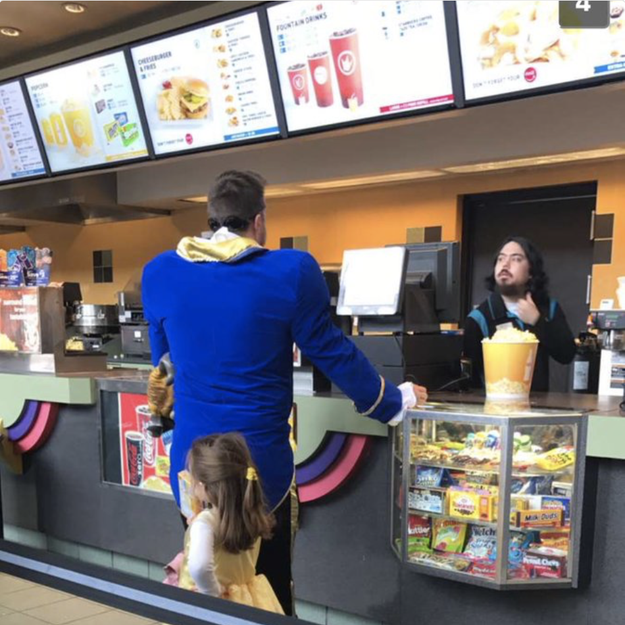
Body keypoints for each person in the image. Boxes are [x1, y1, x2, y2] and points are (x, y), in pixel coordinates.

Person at [142, 170, 427, 615]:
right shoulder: (290, 271)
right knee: (268, 589)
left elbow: (164, 370)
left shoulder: (160, 273)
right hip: (261, 468)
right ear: (259, 220)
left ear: (211, 215)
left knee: (205, 574)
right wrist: (392, 401)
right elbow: (330, 350)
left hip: (193, 468)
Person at [177, 433, 284, 614]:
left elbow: (199, 566)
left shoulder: (205, 523)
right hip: (247, 598)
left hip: (210, 606)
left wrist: (212, 593)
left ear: (203, 486)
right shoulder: (252, 513)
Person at [463, 236, 576, 392]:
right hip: (494, 407)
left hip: (538, 408)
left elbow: (566, 354)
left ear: (531, 271)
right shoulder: (479, 318)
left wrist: (537, 321)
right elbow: (469, 379)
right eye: (500, 259)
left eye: (516, 259)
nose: (505, 264)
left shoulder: (548, 308)